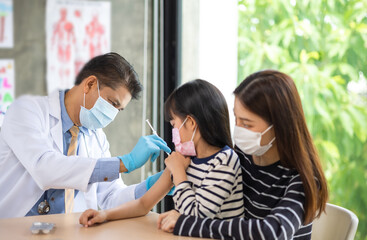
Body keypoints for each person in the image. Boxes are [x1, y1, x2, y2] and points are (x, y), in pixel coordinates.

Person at [157, 70, 328, 240]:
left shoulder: (303, 179)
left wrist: (187, 223)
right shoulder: (243, 155)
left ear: (279, 125)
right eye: (236, 119)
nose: (238, 130)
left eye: (246, 124)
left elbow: (271, 232)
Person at [0, 52, 171, 218]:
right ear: (89, 84)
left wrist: (154, 185)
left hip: (70, 231)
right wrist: (125, 163)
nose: (112, 114)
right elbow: (44, 167)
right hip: (14, 228)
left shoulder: (97, 138)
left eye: (118, 110)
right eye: (112, 103)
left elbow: (111, 198)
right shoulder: (27, 110)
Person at [79, 79, 244, 227]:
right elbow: (143, 204)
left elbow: (195, 216)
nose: (173, 132)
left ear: (191, 123)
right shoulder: (185, 158)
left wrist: (179, 172)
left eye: (174, 125)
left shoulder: (224, 161)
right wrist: (105, 214)